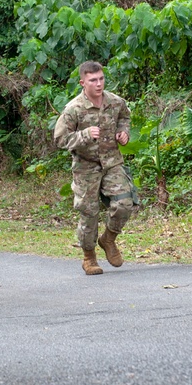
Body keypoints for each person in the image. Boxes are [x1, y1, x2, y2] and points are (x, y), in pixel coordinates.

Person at [54, 61, 134, 275]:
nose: (99, 84)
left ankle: (108, 239)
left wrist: (123, 133)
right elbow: (60, 139)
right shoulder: (74, 109)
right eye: (93, 80)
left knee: (125, 204)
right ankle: (89, 257)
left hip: (112, 163)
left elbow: (125, 118)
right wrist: (85, 135)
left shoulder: (116, 102)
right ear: (83, 82)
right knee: (89, 213)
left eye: (101, 79)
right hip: (85, 167)